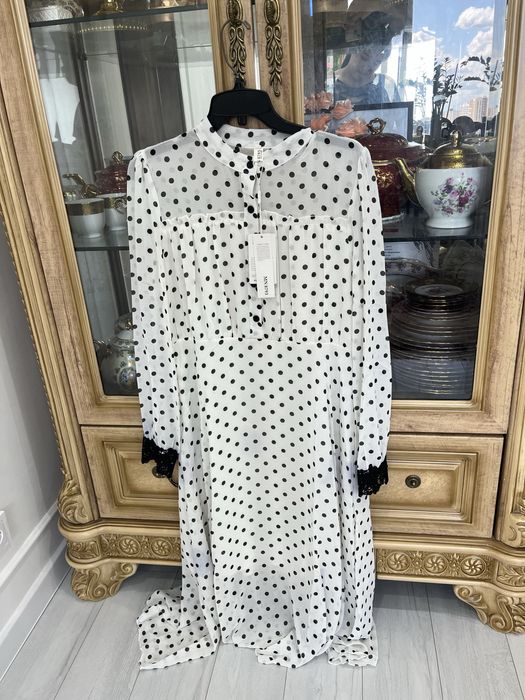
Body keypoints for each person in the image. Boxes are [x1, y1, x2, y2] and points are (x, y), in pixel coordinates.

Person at [334, 10, 402, 105]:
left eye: (377, 62)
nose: (368, 67)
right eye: (364, 57)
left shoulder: (387, 85)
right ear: (352, 50)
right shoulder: (329, 84)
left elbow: (399, 114)